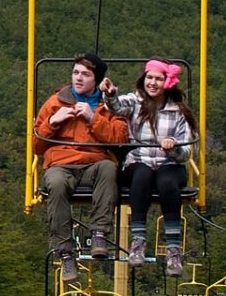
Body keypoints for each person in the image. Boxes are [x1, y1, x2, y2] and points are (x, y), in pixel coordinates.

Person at [32, 53, 129, 279]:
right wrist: (53, 122)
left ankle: (99, 234)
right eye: (76, 72)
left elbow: (120, 141)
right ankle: (65, 253)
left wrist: (92, 119)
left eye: (85, 74)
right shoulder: (55, 102)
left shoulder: (110, 106)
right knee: (55, 183)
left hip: (93, 164)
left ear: (96, 79)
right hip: (62, 164)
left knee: (109, 169)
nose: (78, 78)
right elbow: (36, 146)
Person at [114, 59, 198, 276]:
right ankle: (138, 241)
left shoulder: (178, 112)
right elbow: (116, 106)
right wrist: (109, 94)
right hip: (139, 161)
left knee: (167, 182)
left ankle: (173, 249)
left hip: (168, 162)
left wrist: (172, 149)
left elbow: (186, 153)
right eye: (149, 78)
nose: (152, 83)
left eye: (158, 79)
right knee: (141, 175)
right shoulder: (135, 102)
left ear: (167, 83)